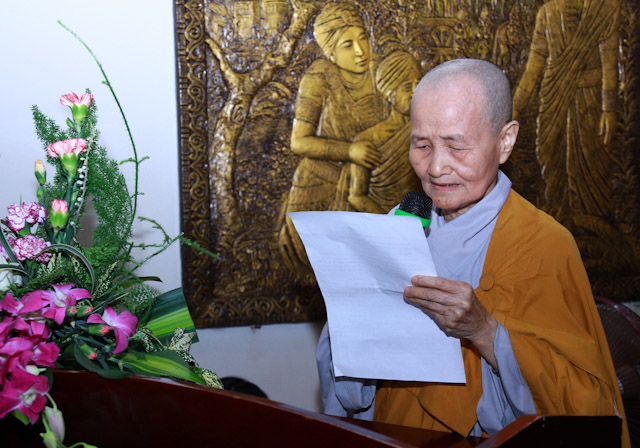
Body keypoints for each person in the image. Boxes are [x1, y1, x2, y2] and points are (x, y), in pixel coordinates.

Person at [318, 58, 629, 446]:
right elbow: (350, 382)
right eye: (422, 145)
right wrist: (353, 313)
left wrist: (484, 331)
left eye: (456, 146)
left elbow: (586, 404)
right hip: (396, 435)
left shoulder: (543, 244)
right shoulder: (400, 226)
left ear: (505, 141)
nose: (436, 167)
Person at [278, 2, 385, 279]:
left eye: (363, 38)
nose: (360, 51)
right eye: (348, 44)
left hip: (368, 187)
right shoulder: (320, 76)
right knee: (321, 270)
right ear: (330, 51)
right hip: (318, 189)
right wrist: (349, 150)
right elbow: (299, 142)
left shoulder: (379, 74)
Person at [512, 0, 619, 223]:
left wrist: (609, 109)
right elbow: (533, 68)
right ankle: (557, 222)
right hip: (554, 99)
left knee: (592, 168)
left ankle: (593, 225)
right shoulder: (547, 13)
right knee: (551, 160)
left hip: (589, 102)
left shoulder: (605, 8)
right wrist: (514, 109)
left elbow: (610, 62)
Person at [351, 50, 423, 214]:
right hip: (379, 221)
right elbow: (356, 196)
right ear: (390, 93)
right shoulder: (368, 139)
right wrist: (388, 223)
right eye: (407, 87)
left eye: (418, 85)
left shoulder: (425, 132)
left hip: (416, 219)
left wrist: (414, 223)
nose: (415, 92)